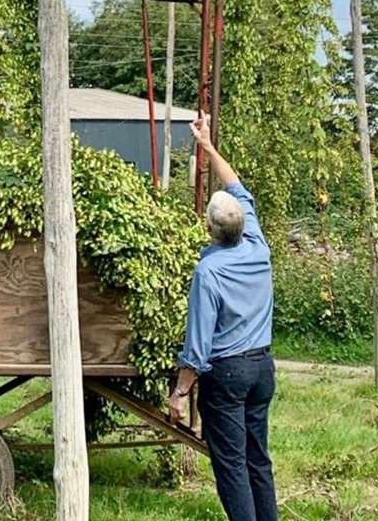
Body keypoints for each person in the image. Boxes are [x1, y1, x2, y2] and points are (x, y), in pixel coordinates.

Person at [168, 115, 276, 521]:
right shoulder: (257, 245)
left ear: (209, 228)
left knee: (231, 468)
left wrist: (180, 394)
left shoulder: (208, 271)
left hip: (228, 375)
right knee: (257, 462)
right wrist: (208, 146)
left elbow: (198, 344)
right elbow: (237, 189)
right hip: (263, 369)